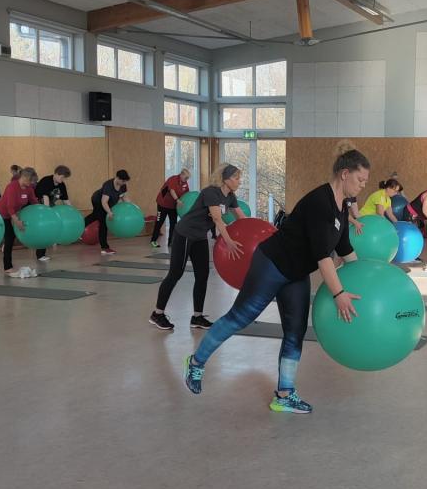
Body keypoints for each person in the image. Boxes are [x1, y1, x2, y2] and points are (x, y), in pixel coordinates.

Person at [183, 141, 368, 414]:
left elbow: (343, 247)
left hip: (296, 272)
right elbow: (323, 257)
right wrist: (339, 294)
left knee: (295, 332)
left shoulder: (341, 206)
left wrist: (365, 277)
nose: (363, 185)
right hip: (272, 265)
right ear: (345, 174)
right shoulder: (320, 202)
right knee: (240, 318)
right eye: (360, 179)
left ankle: (284, 394)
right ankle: (196, 363)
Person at [149, 164, 246, 332]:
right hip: (185, 233)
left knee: (202, 275)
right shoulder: (211, 192)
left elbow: (242, 217)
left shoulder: (230, 196)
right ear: (225, 179)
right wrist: (229, 241)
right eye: (236, 178)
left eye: (239, 178)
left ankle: (197, 317)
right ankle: (157, 314)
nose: (239, 181)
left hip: (200, 236)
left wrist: (254, 228)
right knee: (175, 274)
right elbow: (217, 219)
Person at [0, 167, 39, 275]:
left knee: (11, 238)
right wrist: (17, 221)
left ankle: (6, 244)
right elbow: (9, 207)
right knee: (10, 237)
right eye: (30, 181)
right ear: (24, 177)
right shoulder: (12, 187)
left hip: (13, 213)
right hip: (1, 214)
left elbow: (34, 201)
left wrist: (41, 212)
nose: (32, 183)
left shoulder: (29, 188)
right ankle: (7, 267)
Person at [85, 170, 131, 256]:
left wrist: (131, 207)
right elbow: (104, 202)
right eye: (123, 181)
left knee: (95, 216)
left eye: (125, 181)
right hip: (98, 200)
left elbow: (124, 197)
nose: (124, 183)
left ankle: (80, 227)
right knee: (103, 221)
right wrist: (109, 212)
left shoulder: (123, 185)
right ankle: (104, 248)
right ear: (117, 178)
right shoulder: (108, 185)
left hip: (108, 202)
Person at [35, 165, 72, 262]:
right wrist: (48, 213)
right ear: (56, 174)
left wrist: (72, 212)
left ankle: (42, 252)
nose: (63, 180)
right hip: (39, 208)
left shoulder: (61, 185)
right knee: (44, 230)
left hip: (50, 207)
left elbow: (66, 200)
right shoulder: (46, 181)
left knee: (48, 230)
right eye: (62, 177)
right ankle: (40, 254)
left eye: (64, 178)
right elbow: (45, 198)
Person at [150, 168, 191, 249]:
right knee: (159, 221)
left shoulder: (185, 183)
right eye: (186, 177)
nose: (187, 179)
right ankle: (153, 240)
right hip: (162, 203)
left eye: (188, 178)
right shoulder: (173, 179)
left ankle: (171, 242)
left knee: (173, 223)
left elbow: (186, 195)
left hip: (173, 206)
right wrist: (177, 200)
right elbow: (172, 191)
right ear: (181, 174)